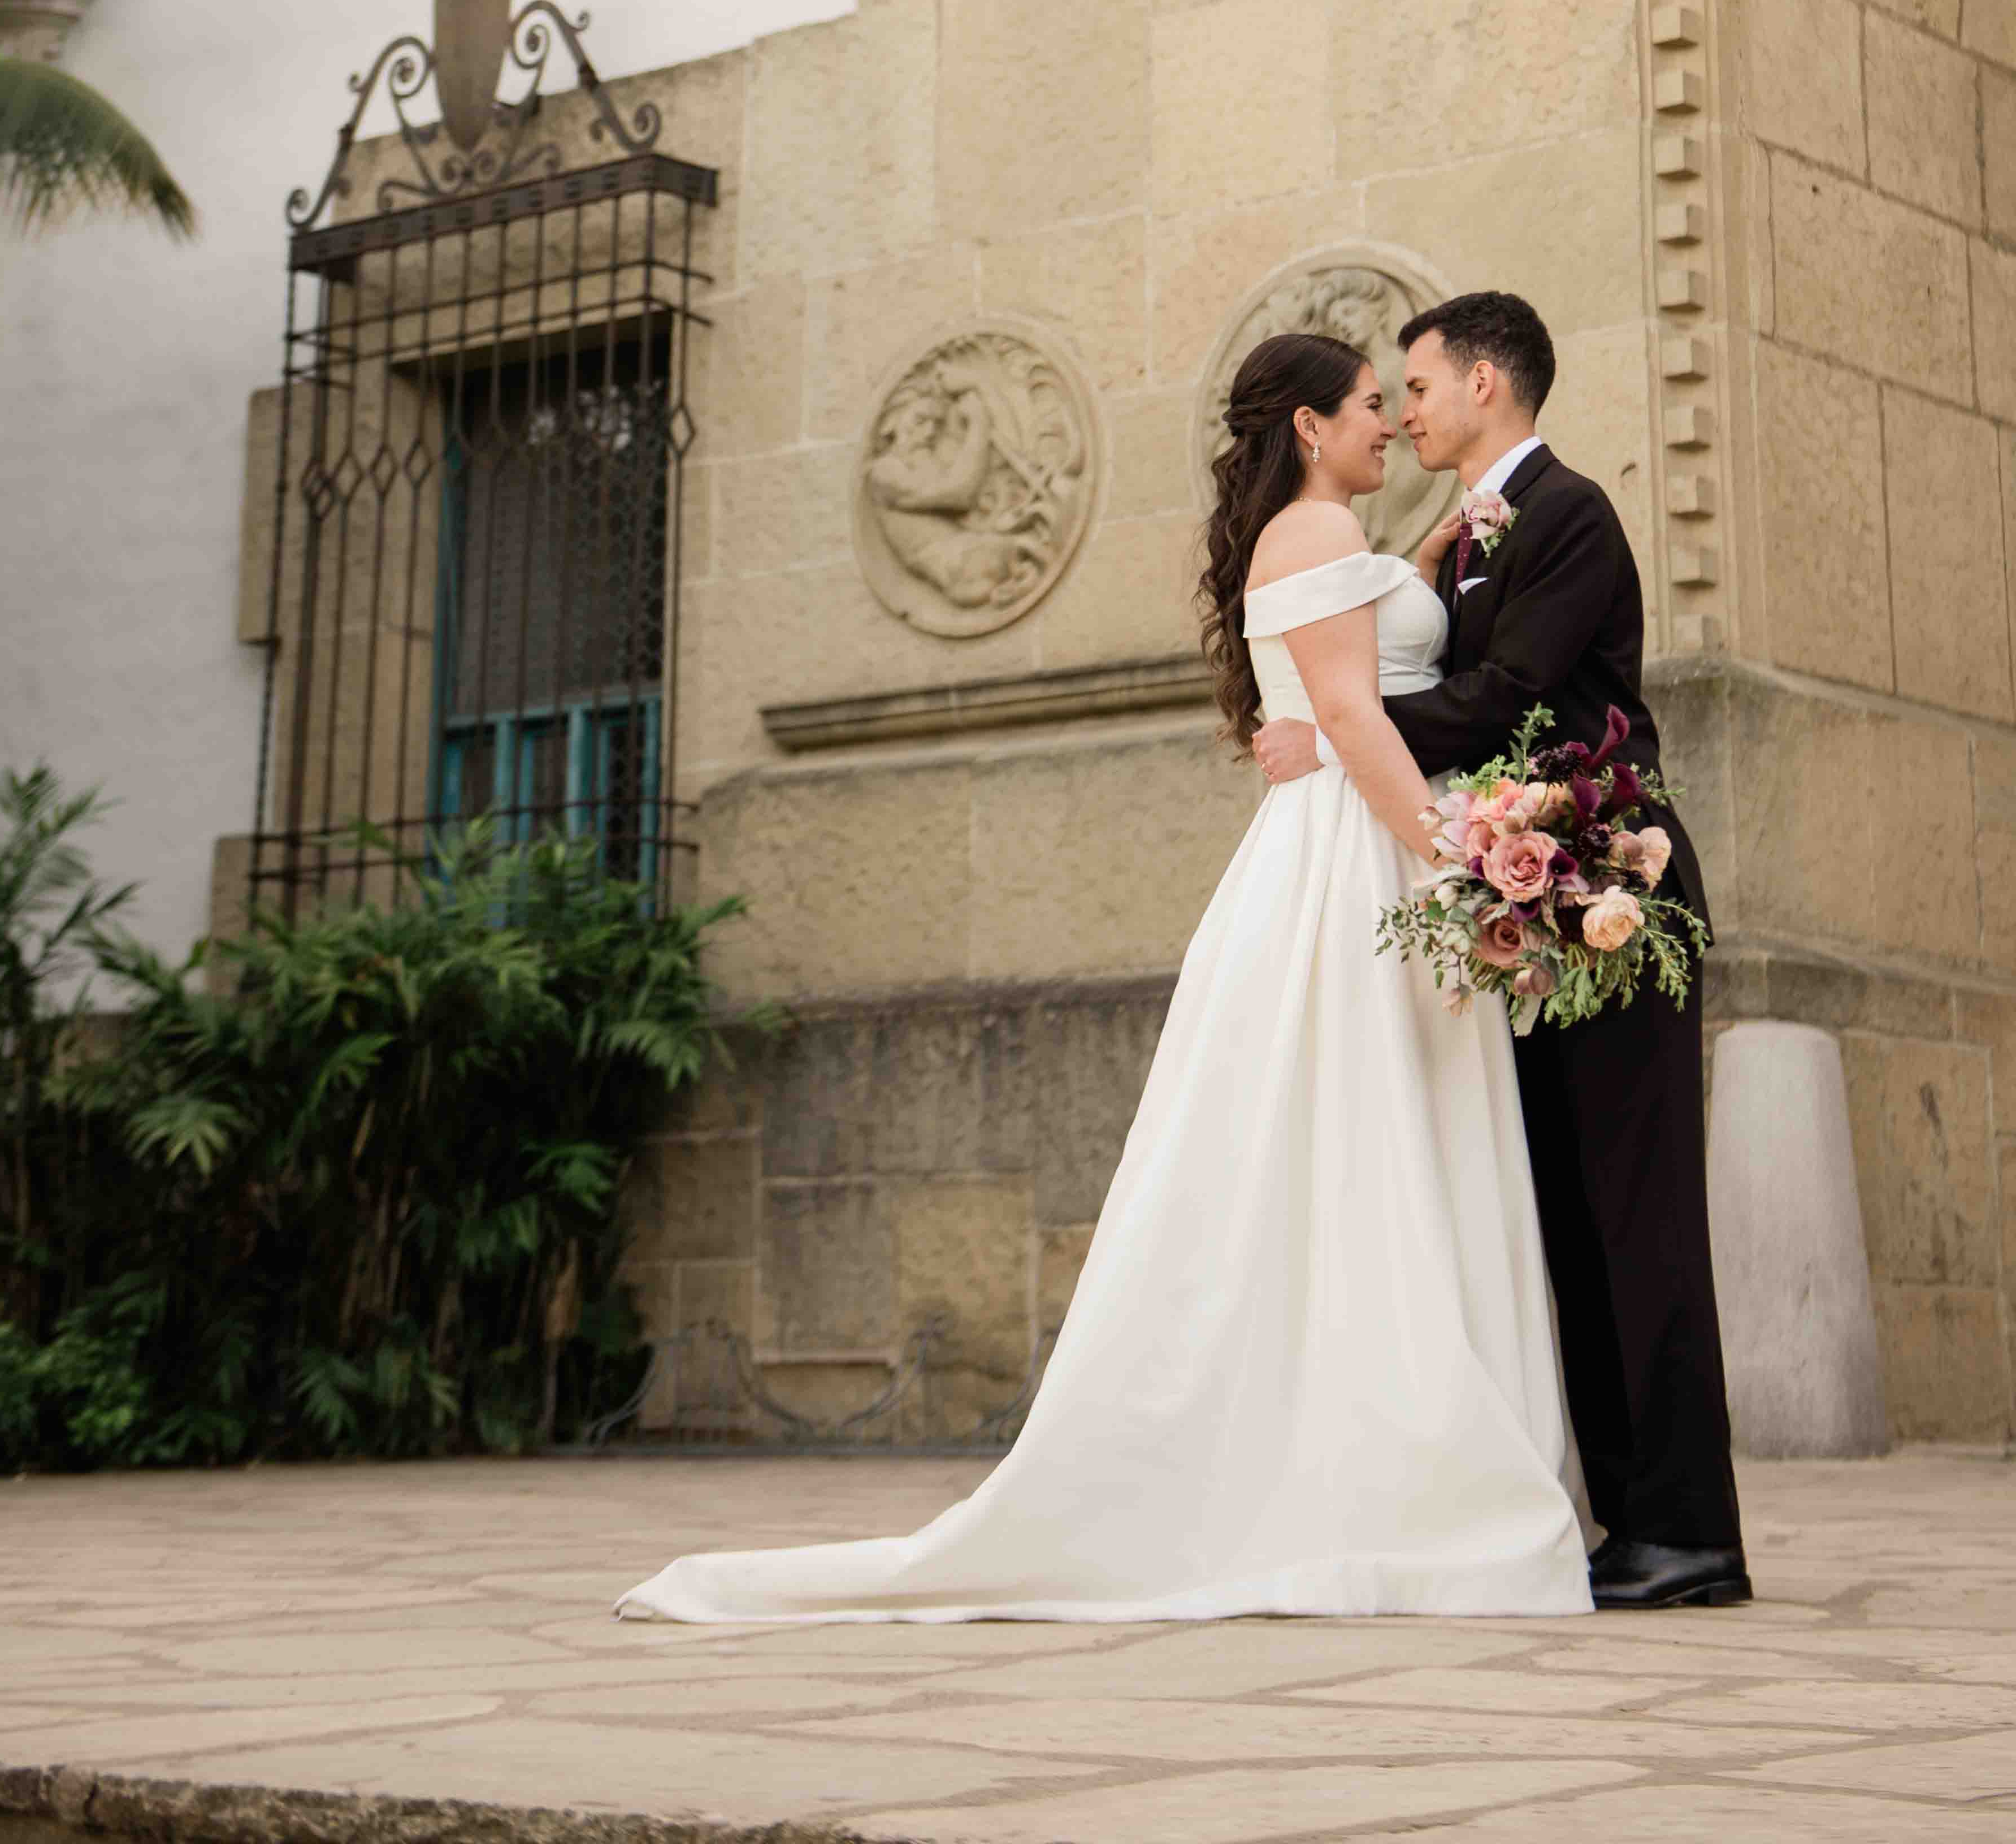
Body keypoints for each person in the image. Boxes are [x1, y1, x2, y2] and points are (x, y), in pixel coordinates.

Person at [614, 327, 1591, 1626]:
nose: (1385, 423)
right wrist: (1459, 856)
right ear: (1307, 427)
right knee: (1368, 1141)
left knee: (1383, 1136)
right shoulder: (1307, 539)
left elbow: (1347, 658)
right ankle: (1385, 1465)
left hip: (1356, 841)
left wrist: (1423, 563)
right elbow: (1353, 718)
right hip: (1360, 857)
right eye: (1367, 405)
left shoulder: (1333, 543)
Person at [1252, 289, 1749, 1612]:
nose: (1403, 409)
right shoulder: (1463, 539)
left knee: (1638, 1212)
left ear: (1484, 382)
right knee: (1564, 1216)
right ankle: (1623, 1517)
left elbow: (1513, 698)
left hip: (1618, 880)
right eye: (1390, 394)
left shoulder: (1568, 509)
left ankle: (1689, 1527)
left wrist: (1339, 726)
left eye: (1416, 385)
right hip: (1526, 893)